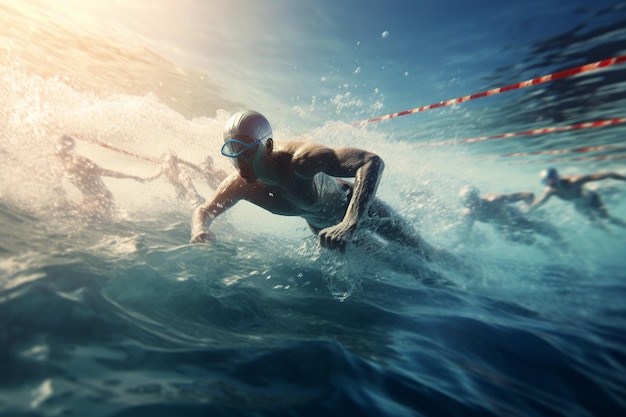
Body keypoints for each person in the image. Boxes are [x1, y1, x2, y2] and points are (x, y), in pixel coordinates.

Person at [190, 109, 456, 264]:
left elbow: (371, 162)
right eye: (232, 151)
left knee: (424, 253)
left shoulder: (300, 160)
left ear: (267, 146)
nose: (239, 162)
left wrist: (351, 222)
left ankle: (465, 271)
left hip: (364, 211)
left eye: (246, 150)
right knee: (401, 267)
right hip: (329, 232)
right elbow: (204, 210)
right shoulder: (240, 185)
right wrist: (199, 230)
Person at [54, 135, 146, 218]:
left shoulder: (80, 161)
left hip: (103, 199)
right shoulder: (61, 168)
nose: (57, 153)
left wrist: (133, 176)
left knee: (76, 216)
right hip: (87, 201)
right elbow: (57, 186)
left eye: (63, 148)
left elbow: (105, 172)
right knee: (64, 211)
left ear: (69, 149)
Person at [456, 185, 563, 245]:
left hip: (515, 217)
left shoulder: (494, 200)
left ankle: (564, 244)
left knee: (545, 230)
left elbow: (528, 195)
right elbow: (465, 234)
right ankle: (549, 252)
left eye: (472, 201)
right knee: (521, 240)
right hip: (502, 227)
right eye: (466, 203)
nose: (470, 205)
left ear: (478, 197)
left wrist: (529, 209)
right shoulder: (468, 214)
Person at [528, 167, 626, 228]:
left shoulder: (575, 181)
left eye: (551, 180)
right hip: (579, 205)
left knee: (607, 218)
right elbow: (538, 203)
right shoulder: (549, 191)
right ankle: (612, 236)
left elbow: (608, 174)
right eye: (546, 182)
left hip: (592, 200)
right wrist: (527, 210)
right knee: (595, 224)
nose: (550, 184)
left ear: (557, 178)